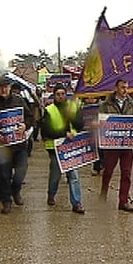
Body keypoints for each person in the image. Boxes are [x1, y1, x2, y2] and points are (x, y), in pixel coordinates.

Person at [0, 75, 34, 214]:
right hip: (2, 146)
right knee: (4, 175)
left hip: (19, 145)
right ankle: (6, 201)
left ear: (10, 87)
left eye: (6, 87)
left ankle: (16, 190)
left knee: (20, 173)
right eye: (1, 87)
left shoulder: (19, 100)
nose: (4, 89)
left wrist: (25, 125)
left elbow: (30, 117)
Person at [40, 83, 86, 213]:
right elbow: (46, 131)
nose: (60, 96)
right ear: (54, 96)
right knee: (55, 175)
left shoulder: (73, 107)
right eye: (58, 94)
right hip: (55, 148)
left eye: (63, 94)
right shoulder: (49, 110)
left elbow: (80, 125)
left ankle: (77, 203)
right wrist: (63, 134)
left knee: (74, 175)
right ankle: (51, 194)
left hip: (70, 148)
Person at [98, 79, 133, 212]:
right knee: (108, 170)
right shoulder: (106, 104)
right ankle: (103, 193)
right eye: (122, 88)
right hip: (112, 145)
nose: (125, 90)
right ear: (116, 88)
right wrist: (100, 125)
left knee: (126, 173)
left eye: (127, 87)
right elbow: (100, 120)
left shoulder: (132, 103)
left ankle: (123, 201)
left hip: (127, 145)